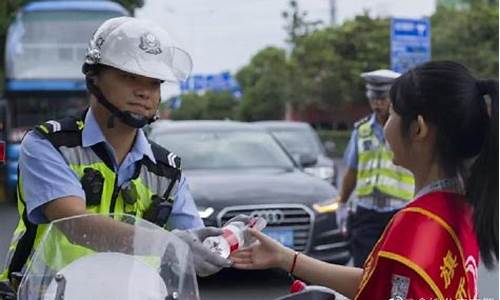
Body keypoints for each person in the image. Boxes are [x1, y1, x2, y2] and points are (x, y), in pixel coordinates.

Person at [231, 61, 498, 300]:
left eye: (393, 113)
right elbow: (378, 282)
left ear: (418, 129)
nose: (386, 125)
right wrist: (286, 258)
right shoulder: (461, 206)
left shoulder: (418, 223)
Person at [0, 17, 230, 290]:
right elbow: (76, 224)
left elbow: (191, 246)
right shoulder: (48, 144)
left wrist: (227, 239)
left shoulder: (167, 169)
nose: (144, 92)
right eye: (129, 76)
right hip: (46, 293)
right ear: (93, 77)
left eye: (154, 82)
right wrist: (168, 243)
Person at [336, 69, 415, 267]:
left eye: (383, 99)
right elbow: (352, 171)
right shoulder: (361, 130)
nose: (377, 104)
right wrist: (343, 203)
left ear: (394, 99)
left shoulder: (409, 130)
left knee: (398, 271)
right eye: (373, 99)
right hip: (367, 214)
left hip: (400, 212)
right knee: (364, 271)